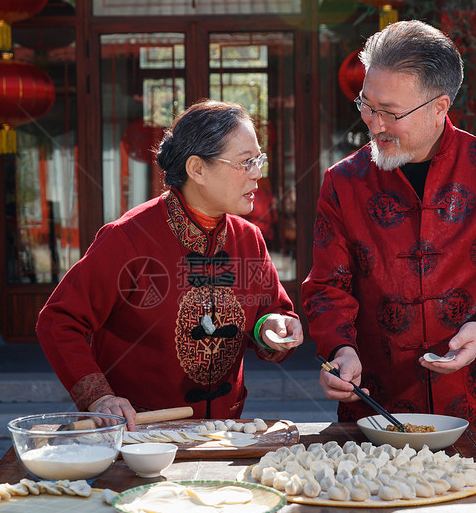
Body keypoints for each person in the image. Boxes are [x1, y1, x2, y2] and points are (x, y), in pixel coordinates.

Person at [301, 20, 476, 462]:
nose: (373, 123)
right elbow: (327, 288)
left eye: (390, 112)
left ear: (439, 106)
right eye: (365, 105)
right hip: (376, 405)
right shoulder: (343, 182)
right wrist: (341, 350)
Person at [37, 99, 303, 431]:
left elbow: (271, 311)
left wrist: (273, 327)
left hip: (223, 434)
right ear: (198, 169)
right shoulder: (128, 239)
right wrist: (99, 398)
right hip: (139, 435)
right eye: (245, 162)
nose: (258, 173)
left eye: (258, 159)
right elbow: (59, 320)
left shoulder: (248, 239)